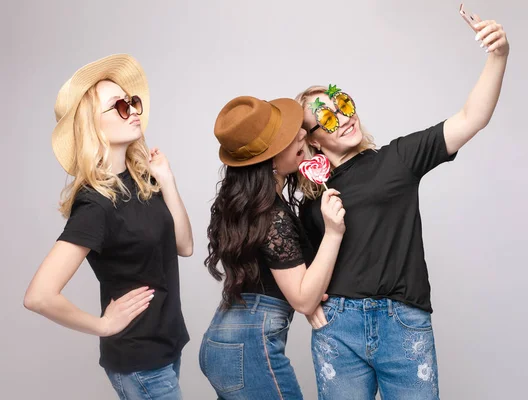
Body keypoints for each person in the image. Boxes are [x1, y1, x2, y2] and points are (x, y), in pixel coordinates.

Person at [296, 17, 509, 399]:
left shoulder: (398, 158)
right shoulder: (312, 200)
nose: (344, 118)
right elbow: (300, 270)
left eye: (343, 103)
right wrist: (308, 304)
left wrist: (498, 55)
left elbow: (471, 118)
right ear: (312, 141)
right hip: (338, 328)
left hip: (402, 321)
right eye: (327, 117)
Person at [23, 54, 193, 400]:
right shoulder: (95, 204)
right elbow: (39, 296)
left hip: (167, 348)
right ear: (92, 125)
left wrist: (168, 181)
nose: (132, 111)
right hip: (140, 362)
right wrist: (102, 325)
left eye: (132, 102)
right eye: (118, 106)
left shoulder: (143, 181)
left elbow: (184, 246)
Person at [200, 95, 345, 399]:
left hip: (225, 338)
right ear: (270, 159)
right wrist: (333, 232)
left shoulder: (254, 206)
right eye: (291, 136)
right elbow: (304, 300)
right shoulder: (272, 215)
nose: (303, 134)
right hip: (248, 345)